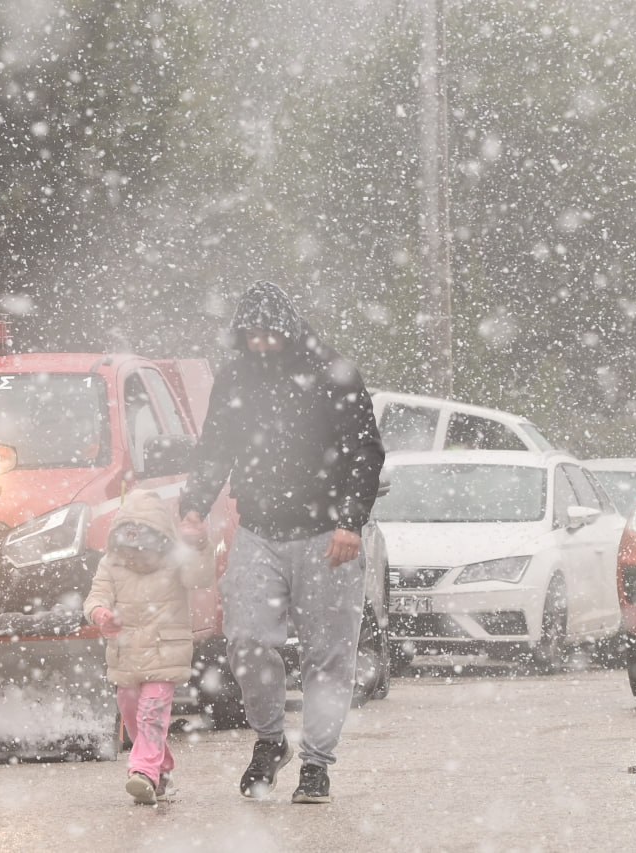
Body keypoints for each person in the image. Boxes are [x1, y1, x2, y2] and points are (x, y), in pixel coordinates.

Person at [179, 280, 385, 805]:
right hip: (259, 531)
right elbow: (215, 446)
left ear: (290, 329)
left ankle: (316, 763)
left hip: (327, 536)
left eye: (272, 334)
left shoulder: (332, 374)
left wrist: (350, 521)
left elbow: (365, 450)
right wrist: (193, 507)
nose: (263, 344)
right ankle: (270, 740)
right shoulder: (235, 379)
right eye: (253, 335)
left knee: (329, 655)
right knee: (246, 639)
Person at [83, 489, 214, 805]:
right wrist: (101, 615)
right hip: (126, 655)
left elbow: (200, 577)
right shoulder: (111, 564)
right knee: (131, 713)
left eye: (145, 534)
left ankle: (142, 771)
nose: (137, 546)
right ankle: (162, 765)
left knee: (152, 713)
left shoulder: (176, 560)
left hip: (165, 651)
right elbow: (95, 597)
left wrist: (198, 545)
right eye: (130, 536)